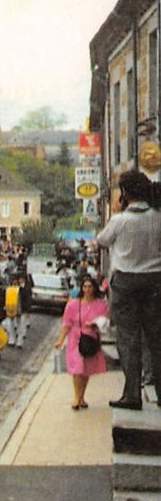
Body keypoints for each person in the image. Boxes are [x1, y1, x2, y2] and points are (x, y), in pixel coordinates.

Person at [97, 168, 161, 410]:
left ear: (124, 193)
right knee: (156, 337)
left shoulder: (120, 220)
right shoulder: (157, 216)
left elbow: (102, 240)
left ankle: (132, 393)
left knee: (128, 338)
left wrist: (117, 210)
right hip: (155, 280)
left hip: (126, 281)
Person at [53, 278, 110, 410]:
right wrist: (61, 340)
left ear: (94, 288)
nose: (87, 290)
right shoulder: (73, 305)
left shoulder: (101, 305)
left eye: (90, 287)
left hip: (90, 338)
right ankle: (76, 398)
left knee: (85, 369)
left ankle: (82, 396)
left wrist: (95, 323)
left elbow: (105, 321)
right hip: (75, 338)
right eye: (85, 287)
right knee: (77, 369)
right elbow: (66, 324)